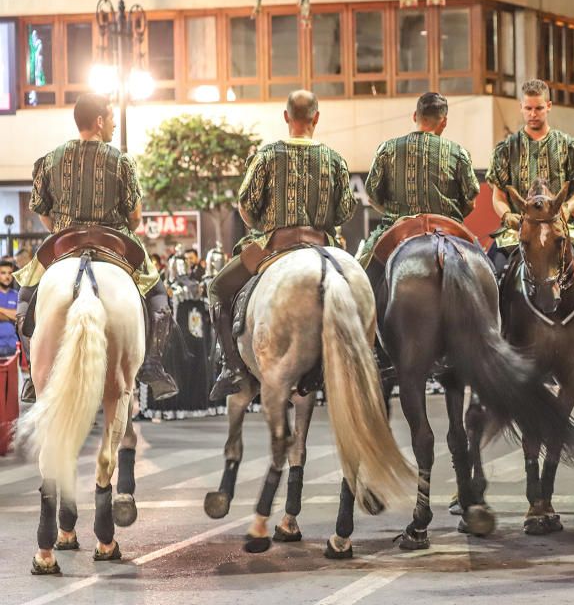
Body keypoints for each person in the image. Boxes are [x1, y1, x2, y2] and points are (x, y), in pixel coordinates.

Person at [14, 93, 177, 401]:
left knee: (26, 295)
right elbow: (136, 216)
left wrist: (62, 227)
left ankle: (35, 375)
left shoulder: (50, 160)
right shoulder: (122, 161)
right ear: (100, 121)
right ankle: (153, 365)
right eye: (113, 118)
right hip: (113, 240)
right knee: (157, 295)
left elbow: (42, 211)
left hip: (64, 243)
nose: (115, 124)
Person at [207, 90, 356, 401]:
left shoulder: (266, 156)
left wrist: (261, 224)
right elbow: (345, 210)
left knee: (218, 288)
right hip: (322, 245)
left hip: (272, 245)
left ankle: (230, 366)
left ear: (287, 117)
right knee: (361, 288)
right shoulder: (334, 159)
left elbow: (246, 206)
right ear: (316, 117)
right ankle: (366, 356)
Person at [484, 79, 574, 382]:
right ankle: (494, 345)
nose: (533, 114)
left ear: (548, 107)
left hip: (563, 226)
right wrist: (507, 215)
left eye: (538, 108)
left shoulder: (568, 144)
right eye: (528, 108)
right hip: (519, 229)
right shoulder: (506, 148)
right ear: (521, 108)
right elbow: (496, 195)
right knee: (490, 272)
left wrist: (567, 209)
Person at [356, 92, 479, 288]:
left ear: (415, 116)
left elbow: (372, 194)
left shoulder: (388, 149)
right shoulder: (458, 153)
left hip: (398, 228)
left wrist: (391, 210)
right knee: (484, 267)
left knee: (360, 276)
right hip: (447, 228)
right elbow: (471, 199)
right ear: (444, 121)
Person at [0, 260, 18, 358]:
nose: (7, 276)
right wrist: (12, 316)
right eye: (3, 273)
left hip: (12, 346)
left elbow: (18, 316)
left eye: (10, 273)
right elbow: (15, 316)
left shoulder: (16, 295)